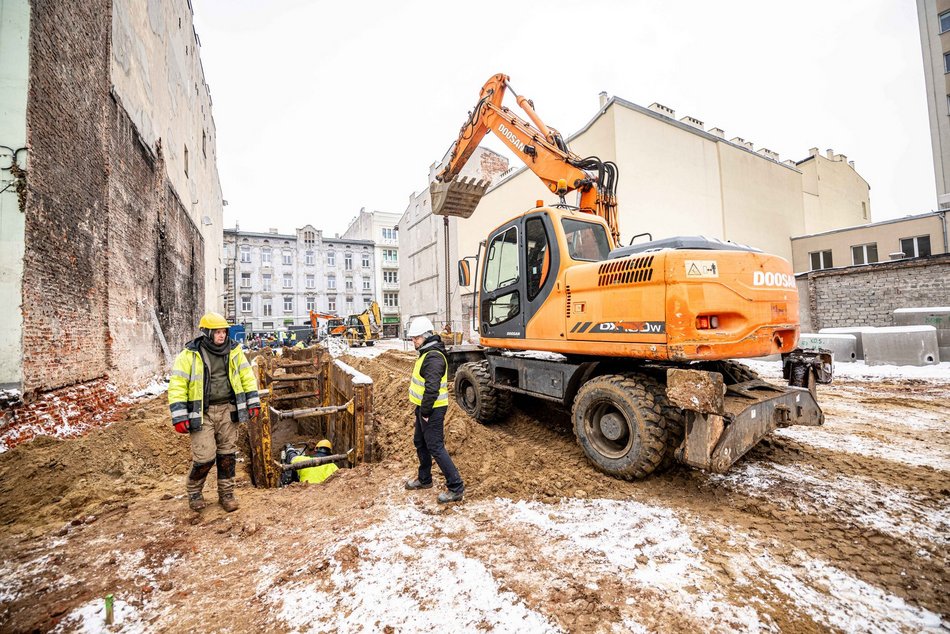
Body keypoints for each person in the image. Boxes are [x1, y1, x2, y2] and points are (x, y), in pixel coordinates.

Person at [168, 312, 260, 512]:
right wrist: (179, 416)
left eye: (224, 332)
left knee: (227, 455)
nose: (222, 336)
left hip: (228, 410)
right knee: (205, 457)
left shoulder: (235, 351)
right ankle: (194, 492)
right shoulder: (190, 355)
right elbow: (177, 386)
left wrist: (253, 403)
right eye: (217, 332)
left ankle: (226, 494)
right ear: (207, 333)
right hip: (203, 413)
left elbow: (247, 377)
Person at [404, 316, 464, 503]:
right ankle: (425, 479)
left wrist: (427, 413)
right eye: (413, 338)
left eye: (416, 338)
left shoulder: (433, 357)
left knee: (436, 447)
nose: (414, 341)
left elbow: (432, 388)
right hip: (423, 407)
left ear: (426, 336)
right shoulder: (426, 353)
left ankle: (456, 487)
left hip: (433, 409)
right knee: (420, 442)